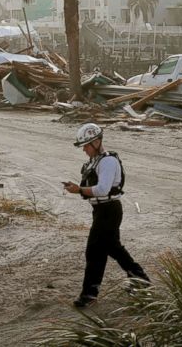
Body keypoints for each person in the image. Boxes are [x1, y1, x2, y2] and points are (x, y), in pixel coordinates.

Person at [64, 123, 149, 308]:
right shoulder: (97, 160)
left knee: (94, 250)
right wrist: (79, 189)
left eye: (86, 145)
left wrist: (79, 190)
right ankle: (140, 281)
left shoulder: (108, 161)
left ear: (95, 142)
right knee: (112, 249)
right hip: (102, 211)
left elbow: (102, 189)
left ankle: (89, 294)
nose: (84, 150)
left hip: (109, 210)